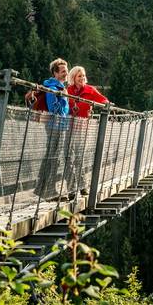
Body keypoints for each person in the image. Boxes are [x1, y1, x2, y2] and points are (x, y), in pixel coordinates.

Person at [66, 66, 109, 196]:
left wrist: (105, 106)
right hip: (68, 128)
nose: (82, 78)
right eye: (79, 76)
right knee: (68, 158)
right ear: (73, 77)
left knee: (80, 157)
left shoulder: (90, 90)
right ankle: (72, 189)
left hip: (83, 129)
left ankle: (82, 186)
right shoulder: (67, 91)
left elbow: (104, 100)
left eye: (83, 75)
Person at [34, 58, 73, 201]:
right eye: (63, 71)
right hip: (54, 125)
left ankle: (41, 189)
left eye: (66, 71)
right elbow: (53, 109)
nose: (65, 73)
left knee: (51, 156)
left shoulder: (61, 87)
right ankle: (49, 191)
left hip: (59, 124)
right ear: (55, 73)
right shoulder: (53, 88)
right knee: (53, 157)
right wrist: (63, 100)